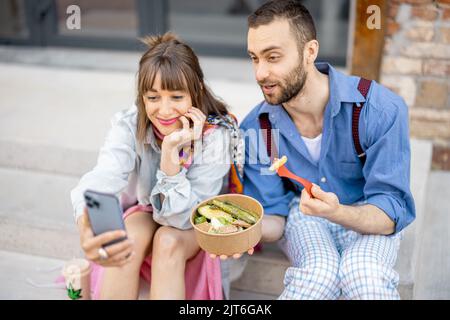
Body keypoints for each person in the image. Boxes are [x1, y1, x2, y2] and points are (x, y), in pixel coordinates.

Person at [239, 0, 415, 299]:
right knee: (318, 275)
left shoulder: (379, 110)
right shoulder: (258, 128)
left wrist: (338, 212)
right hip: (304, 214)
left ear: (310, 52)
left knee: (364, 274)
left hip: (367, 210)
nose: (260, 73)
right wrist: (236, 234)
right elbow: (273, 216)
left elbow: (390, 210)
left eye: (273, 57)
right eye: (255, 58)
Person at [70, 32, 239, 300]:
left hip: (196, 220)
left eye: (176, 96)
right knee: (130, 237)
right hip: (148, 209)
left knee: (168, 241)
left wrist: (171, 155)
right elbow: (103, 175)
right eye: (153, 97)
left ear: (196, 91)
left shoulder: (216, 135)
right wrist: (85, 224)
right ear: (142, 97)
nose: (164, 110)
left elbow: (185, 219)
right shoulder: (129, 123)